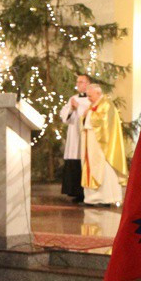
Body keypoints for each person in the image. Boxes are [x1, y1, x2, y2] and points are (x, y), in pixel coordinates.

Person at [81, 84, 127, 207]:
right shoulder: (94, 105)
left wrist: (89, 115)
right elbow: (87, 119)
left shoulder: (106, 104)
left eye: (90, 96)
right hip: (92, 143)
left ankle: (106, 199)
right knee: (91, 166)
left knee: (104, 169)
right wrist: (86, 115)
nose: (89, 98)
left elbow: (104, 122)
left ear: (97, 93)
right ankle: (92, 198)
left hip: (103, 146)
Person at [60, 73, 91, 203]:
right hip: (74, 134)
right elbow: (64, 116)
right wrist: (72, 109)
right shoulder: (73, 98)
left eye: (81, 82)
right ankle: (75, 192)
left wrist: (78, 107)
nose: (78, 84)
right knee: (74, 159)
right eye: (77, 82)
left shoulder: (92, 98)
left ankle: (85, 193)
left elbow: (90, 113)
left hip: (86, 134)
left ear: (88, 84)